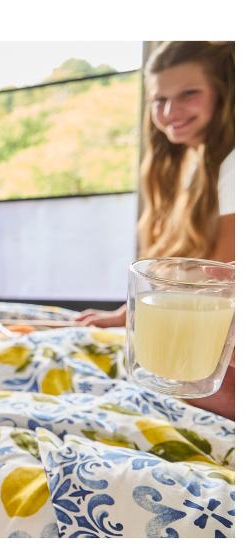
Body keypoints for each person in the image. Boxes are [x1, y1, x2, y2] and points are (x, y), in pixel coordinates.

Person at [75, 42, 235, 419]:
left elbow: (216, 282)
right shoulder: (199, 165)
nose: (169, 112)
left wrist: (130, 317)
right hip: (200, 354)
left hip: (214, 363)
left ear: (225, 93)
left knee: (84, 365)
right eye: (159, 100)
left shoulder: (235, 165)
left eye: (188, 94)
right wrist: (126, 314)